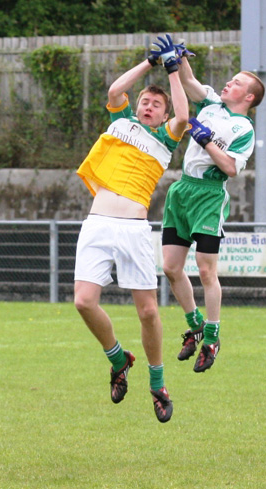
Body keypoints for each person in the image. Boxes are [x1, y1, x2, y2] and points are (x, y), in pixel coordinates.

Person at [74, 34, 189, 423]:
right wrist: (149, 63)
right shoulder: (120, 123)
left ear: (162, 114)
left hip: (133, 230)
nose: (148, 106)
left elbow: (185, 117)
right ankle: (117, 358)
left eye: (156, 104)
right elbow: (114, 89)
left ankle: (157, 383)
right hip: (97, 224)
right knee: (83, 302)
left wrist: (173, 70)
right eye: (145, 101)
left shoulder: (165, 138)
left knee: (148, 312)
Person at [161, 44, 265, 372]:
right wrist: (180, 60)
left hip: (209, 195)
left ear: (248, 97)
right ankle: (194, 325)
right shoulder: (211, 102)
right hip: (181, 191)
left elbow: (232, 169)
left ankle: (213, 335)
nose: (227, 84)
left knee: (206, 270)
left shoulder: (243, 129)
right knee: (170, 268)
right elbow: (190, 83)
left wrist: (206, 141)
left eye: (236, 83)